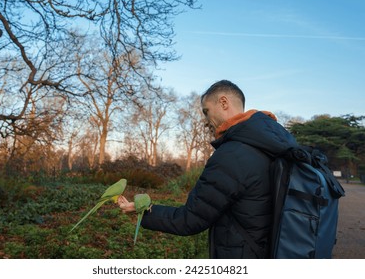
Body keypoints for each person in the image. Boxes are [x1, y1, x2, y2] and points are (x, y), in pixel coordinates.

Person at [118, 80, 297, 258]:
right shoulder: (273, 146)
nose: (205, 121)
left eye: (206, 111)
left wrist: (143, 211)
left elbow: (189, 220)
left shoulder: (232, 155)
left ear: (224, 102)